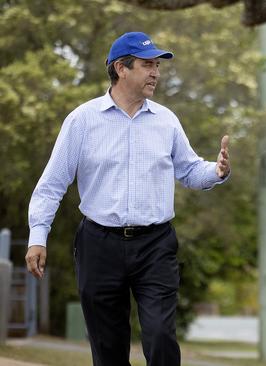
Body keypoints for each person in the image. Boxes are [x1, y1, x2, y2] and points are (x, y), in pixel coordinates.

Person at [25, 31, 230, 366]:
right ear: (121, 68)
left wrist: (217, 171)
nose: (156, 73)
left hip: (155, 245)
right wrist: (38, 237)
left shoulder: (166, 120)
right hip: (98, 245)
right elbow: (51, 184)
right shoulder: (82, 121)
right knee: (108, 349)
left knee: (161, 337)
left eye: (157, 66)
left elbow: (191, 170)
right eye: (148, 64)